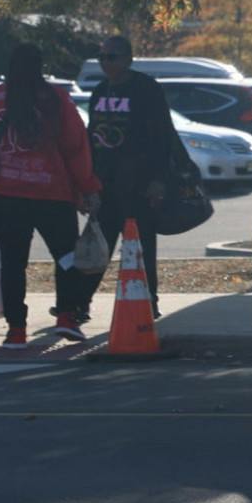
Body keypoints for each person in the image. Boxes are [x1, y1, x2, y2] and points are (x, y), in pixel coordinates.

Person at [0, 43, 101, 349]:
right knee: (67, 257)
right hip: (53, 194)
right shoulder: (55, 99)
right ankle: (67, 317)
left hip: (5, 195)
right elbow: (76, 147)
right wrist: (88, 187)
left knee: (13, 263)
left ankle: (16, 329)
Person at [84, 34, 175, 320]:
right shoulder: (100, 91)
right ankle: (79, 303)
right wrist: (89, 182)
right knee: (99, 246)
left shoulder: (146, 89)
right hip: (105, 184)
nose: (106, 63)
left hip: (139, 182)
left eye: (112, 57)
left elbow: (163, 136)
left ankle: (149, 301)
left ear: (128, 59)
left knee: (141, 245)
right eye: (102, 58)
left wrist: (158, 179)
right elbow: (91, 137)